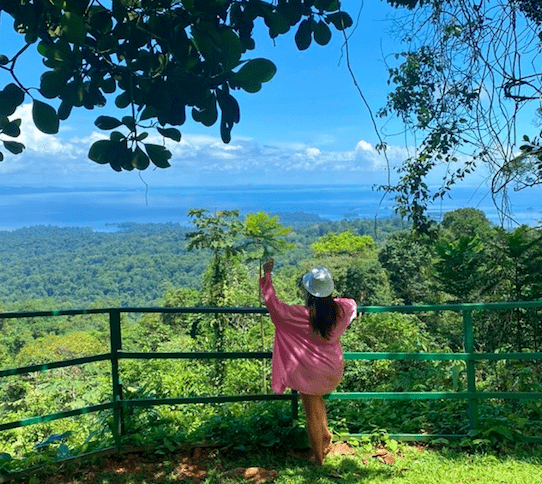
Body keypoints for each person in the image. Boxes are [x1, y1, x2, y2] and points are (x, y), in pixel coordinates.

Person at [259, 259, 357, 465]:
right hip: (333, 368)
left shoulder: (299, 314)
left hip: (310, 371)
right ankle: (326, 438)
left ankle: (318, 459)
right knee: (316, 400)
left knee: (311, 414)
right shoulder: (341, 310)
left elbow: (274, 306)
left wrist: (267, 275)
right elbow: (351, 303)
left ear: (308, 292)